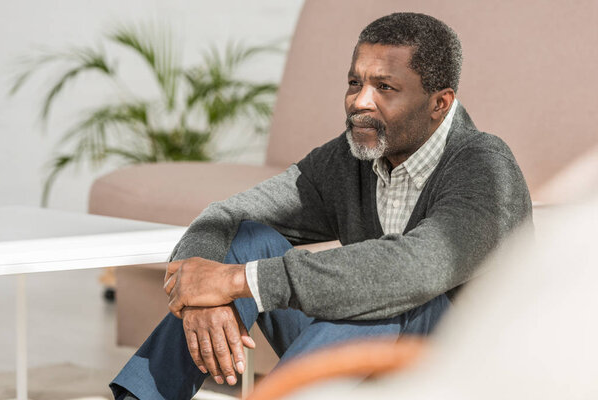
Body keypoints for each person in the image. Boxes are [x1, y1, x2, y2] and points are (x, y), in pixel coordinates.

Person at [111, 12, 532, 400]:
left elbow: (416, 268)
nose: (359, 102)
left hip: (464, 367)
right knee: (251, 237)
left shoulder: (484, 166)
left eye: (384, 87)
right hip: (362, 354)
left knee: (386, 291)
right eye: (355, 83)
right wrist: (199, 291)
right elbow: (227, 215)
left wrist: (239, 281)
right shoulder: (349, 159)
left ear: (439, 103)